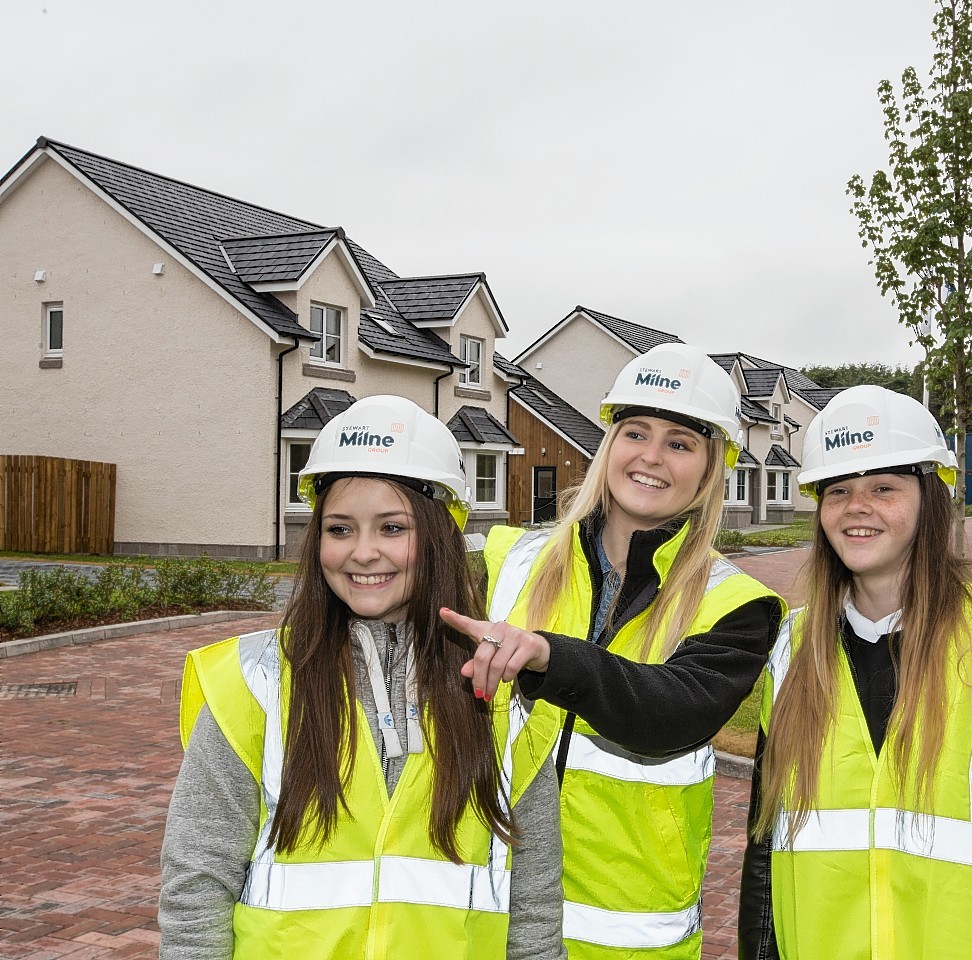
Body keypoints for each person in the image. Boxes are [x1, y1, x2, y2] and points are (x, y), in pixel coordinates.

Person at [159, 396, 564, 960]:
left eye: (392, 527)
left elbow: (535, 907)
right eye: (340, 529)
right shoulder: (251, 683)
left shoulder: (505, 696)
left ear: (441, 536)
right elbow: (196, 886)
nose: (363, 553)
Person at [439, 343, 786, 960]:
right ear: (609, 444)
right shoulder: (511, 560)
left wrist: (551, 657)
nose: (651, 457)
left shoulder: (738, 604)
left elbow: (667, 714)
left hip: (624, 931)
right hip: (492, 910)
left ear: (711, 467)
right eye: (636, 432)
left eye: (680, 443)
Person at [739, 385, 972, 960]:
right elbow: (765, 848)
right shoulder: (792, 648)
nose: (857, 507)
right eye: (838, 490)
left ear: (930, 500)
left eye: (883, 488)